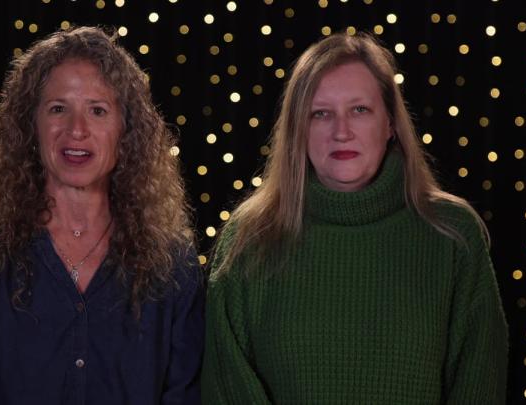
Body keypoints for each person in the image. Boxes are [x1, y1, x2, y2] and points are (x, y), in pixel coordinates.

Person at [201, 32, 508, 404]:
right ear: (298, 129)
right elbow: (226, 388)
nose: (341, 132)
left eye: (359, 110)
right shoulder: (250, 238)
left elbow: (480, 384)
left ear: (390, 123)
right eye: (321, 114)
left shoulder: (452, 234)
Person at [0, 26, 204, 404]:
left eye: (97, 110)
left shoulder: (173, 264)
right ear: (31, 125)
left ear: (126, 129)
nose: (77, 130)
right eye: (58, 108)